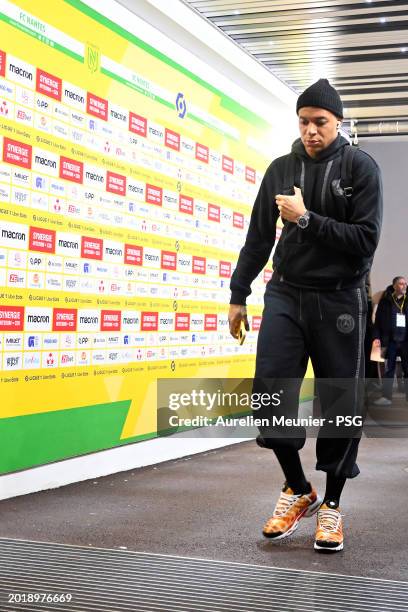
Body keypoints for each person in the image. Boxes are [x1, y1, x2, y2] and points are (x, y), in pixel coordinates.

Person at [228, 79, 383, 553]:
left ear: (338, 123)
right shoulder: (280, 170)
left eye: (321, 122)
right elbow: (258, 237)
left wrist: (305, 218)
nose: (312, 130)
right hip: (287, 295)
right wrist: (238, 292)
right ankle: (297, 488)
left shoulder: (361, 168)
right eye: (304, 121)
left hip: (342, 299)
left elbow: (365, 241)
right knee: (269, 390)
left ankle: (332, 505)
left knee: (339, 405)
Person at [372, 276, 408, 405]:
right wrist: (376, 337)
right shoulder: (385, 301)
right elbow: (378, 323)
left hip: (405, 341)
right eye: (401, 284)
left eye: (405, 284)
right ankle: (386, 397)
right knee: (389, 370)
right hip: (391, 341)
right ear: (394, 286)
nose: (404, 286)